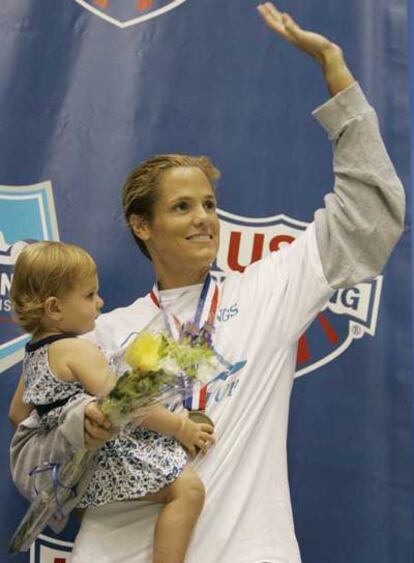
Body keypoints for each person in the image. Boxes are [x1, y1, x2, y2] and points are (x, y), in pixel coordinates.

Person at [9, 2, 405, 562]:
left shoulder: (268, 290)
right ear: (142, 225)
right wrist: (81, 425)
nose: (204, 218)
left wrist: (335, 71)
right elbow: (31, 456)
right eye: (182, 206)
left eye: (211, 204)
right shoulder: (102, 334)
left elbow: (370, 216)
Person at [9, 241, 215, 563]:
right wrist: (181, 428)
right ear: (54, 308)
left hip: (70, 472)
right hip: (101, 458)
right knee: (188, 491)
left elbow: (17, 414)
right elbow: (126, 402)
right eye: (90, 295)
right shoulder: (75, 351)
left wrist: (64, 461)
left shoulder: (34, 355)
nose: (100, 302)